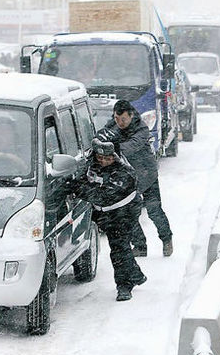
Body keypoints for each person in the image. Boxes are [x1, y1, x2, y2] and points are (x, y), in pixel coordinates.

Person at [72, 137, 147, 301]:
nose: (104, 162)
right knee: (120, 246)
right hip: (105, 214)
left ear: (116, 157)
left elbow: (101, 195)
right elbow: (79, 179)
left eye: (108, 158)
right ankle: (136, 274)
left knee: (119, 249)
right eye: (100, 158)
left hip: (124, 213)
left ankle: (124, 286)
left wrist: (80, 188)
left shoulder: (124, 173)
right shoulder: (91, 163)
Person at [99, 99, 173, 257]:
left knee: (154, 210)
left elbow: (130, 146)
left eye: (123, 119)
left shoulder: (141, 128)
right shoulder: (113, 125)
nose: (119, 123)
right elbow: (102, 135)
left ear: (131, 116)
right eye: (116, 118)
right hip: (128, 177)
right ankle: (140, 245)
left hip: (147, 175)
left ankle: (167, 240)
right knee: (127, 213)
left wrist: (111, 148)